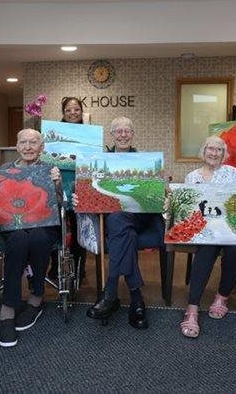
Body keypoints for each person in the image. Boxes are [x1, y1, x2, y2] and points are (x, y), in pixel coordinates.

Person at [81, 116, 161, 329]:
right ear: (112, 135)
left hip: (139, 216)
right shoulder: (100, 160)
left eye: (127, 131)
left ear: (133, 134)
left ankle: (110, 293)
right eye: (118, 131)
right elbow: (92, 191)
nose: (123, 134)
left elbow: (151, 197)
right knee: (123, 229)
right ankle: (136, 298)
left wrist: (161, 187)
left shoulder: (145, 160)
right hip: (114, 219)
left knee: (119, 221)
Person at [0, 128, 62, 347]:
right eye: (23, 142)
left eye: (33, 143)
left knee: (37, 237)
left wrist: (58, 185)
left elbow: (61, 205)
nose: (28, 147)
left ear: (41, 147)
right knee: (19, 239)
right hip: (13, 226)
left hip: (43, 225)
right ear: (17, 146)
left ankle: (35, 299)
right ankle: (8, 309)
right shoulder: (4, 170)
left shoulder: (50, 170)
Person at [179, 136, 236, 338]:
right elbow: (188, 208)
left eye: (219, 150)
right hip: (202, 228)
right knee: (207, 248)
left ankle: (222, 297)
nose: (214, 153)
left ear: (224, 154)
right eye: (210, 148)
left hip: (228, 225)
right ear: (204, 151)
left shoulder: (232, 172)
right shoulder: (192, 176)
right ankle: (192, 309)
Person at [47, 97, 88, 283]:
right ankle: (55, 266)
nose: (73, 113)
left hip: (80, 184)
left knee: (80, 227)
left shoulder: (90, 134)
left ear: (81, 111)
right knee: (56, 228)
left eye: (76, 109)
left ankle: (79, 267)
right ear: (63, 112)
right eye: (69, 110)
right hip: (59, 183)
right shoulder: (54, 133)